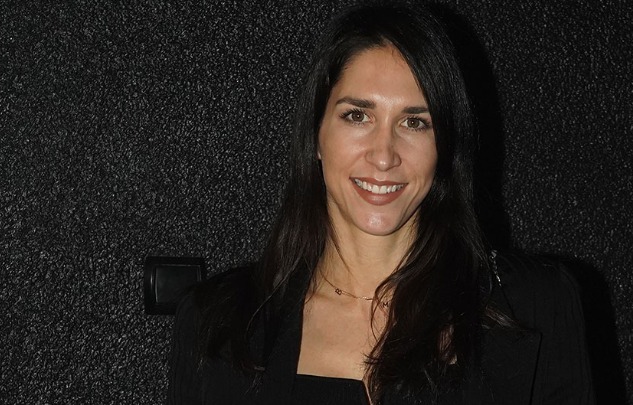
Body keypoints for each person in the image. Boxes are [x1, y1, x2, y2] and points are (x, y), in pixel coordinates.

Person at [167, 3, 594, 404]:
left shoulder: (538, 305)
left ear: (444, 146)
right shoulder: (216, 323)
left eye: (414, 122)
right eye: (358, 115)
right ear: (316, 135)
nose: (384, 155)